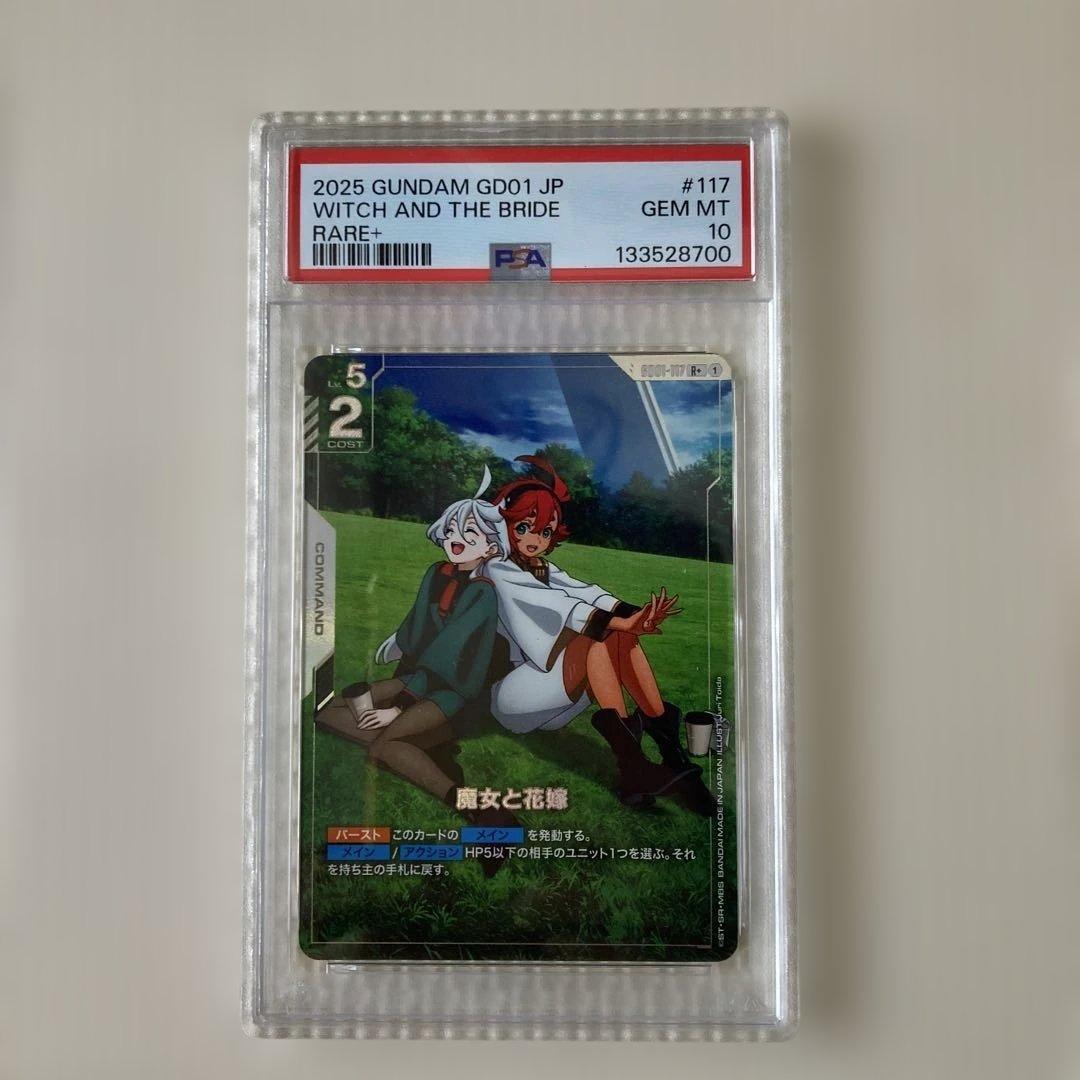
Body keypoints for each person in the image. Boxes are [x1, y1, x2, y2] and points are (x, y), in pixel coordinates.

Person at [482, 457, 714, 813]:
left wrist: (637, 617)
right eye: (524, 527)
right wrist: (623, 623)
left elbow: (588, 592)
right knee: (597, 637)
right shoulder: (498, 568)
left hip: (555, 695)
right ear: (506, 522)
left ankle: (672, 759)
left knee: (620, 637)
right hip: (513, 698)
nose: (534, 539)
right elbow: (560, 604)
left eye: (545, 532)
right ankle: (635, 766)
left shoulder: (543, 567)